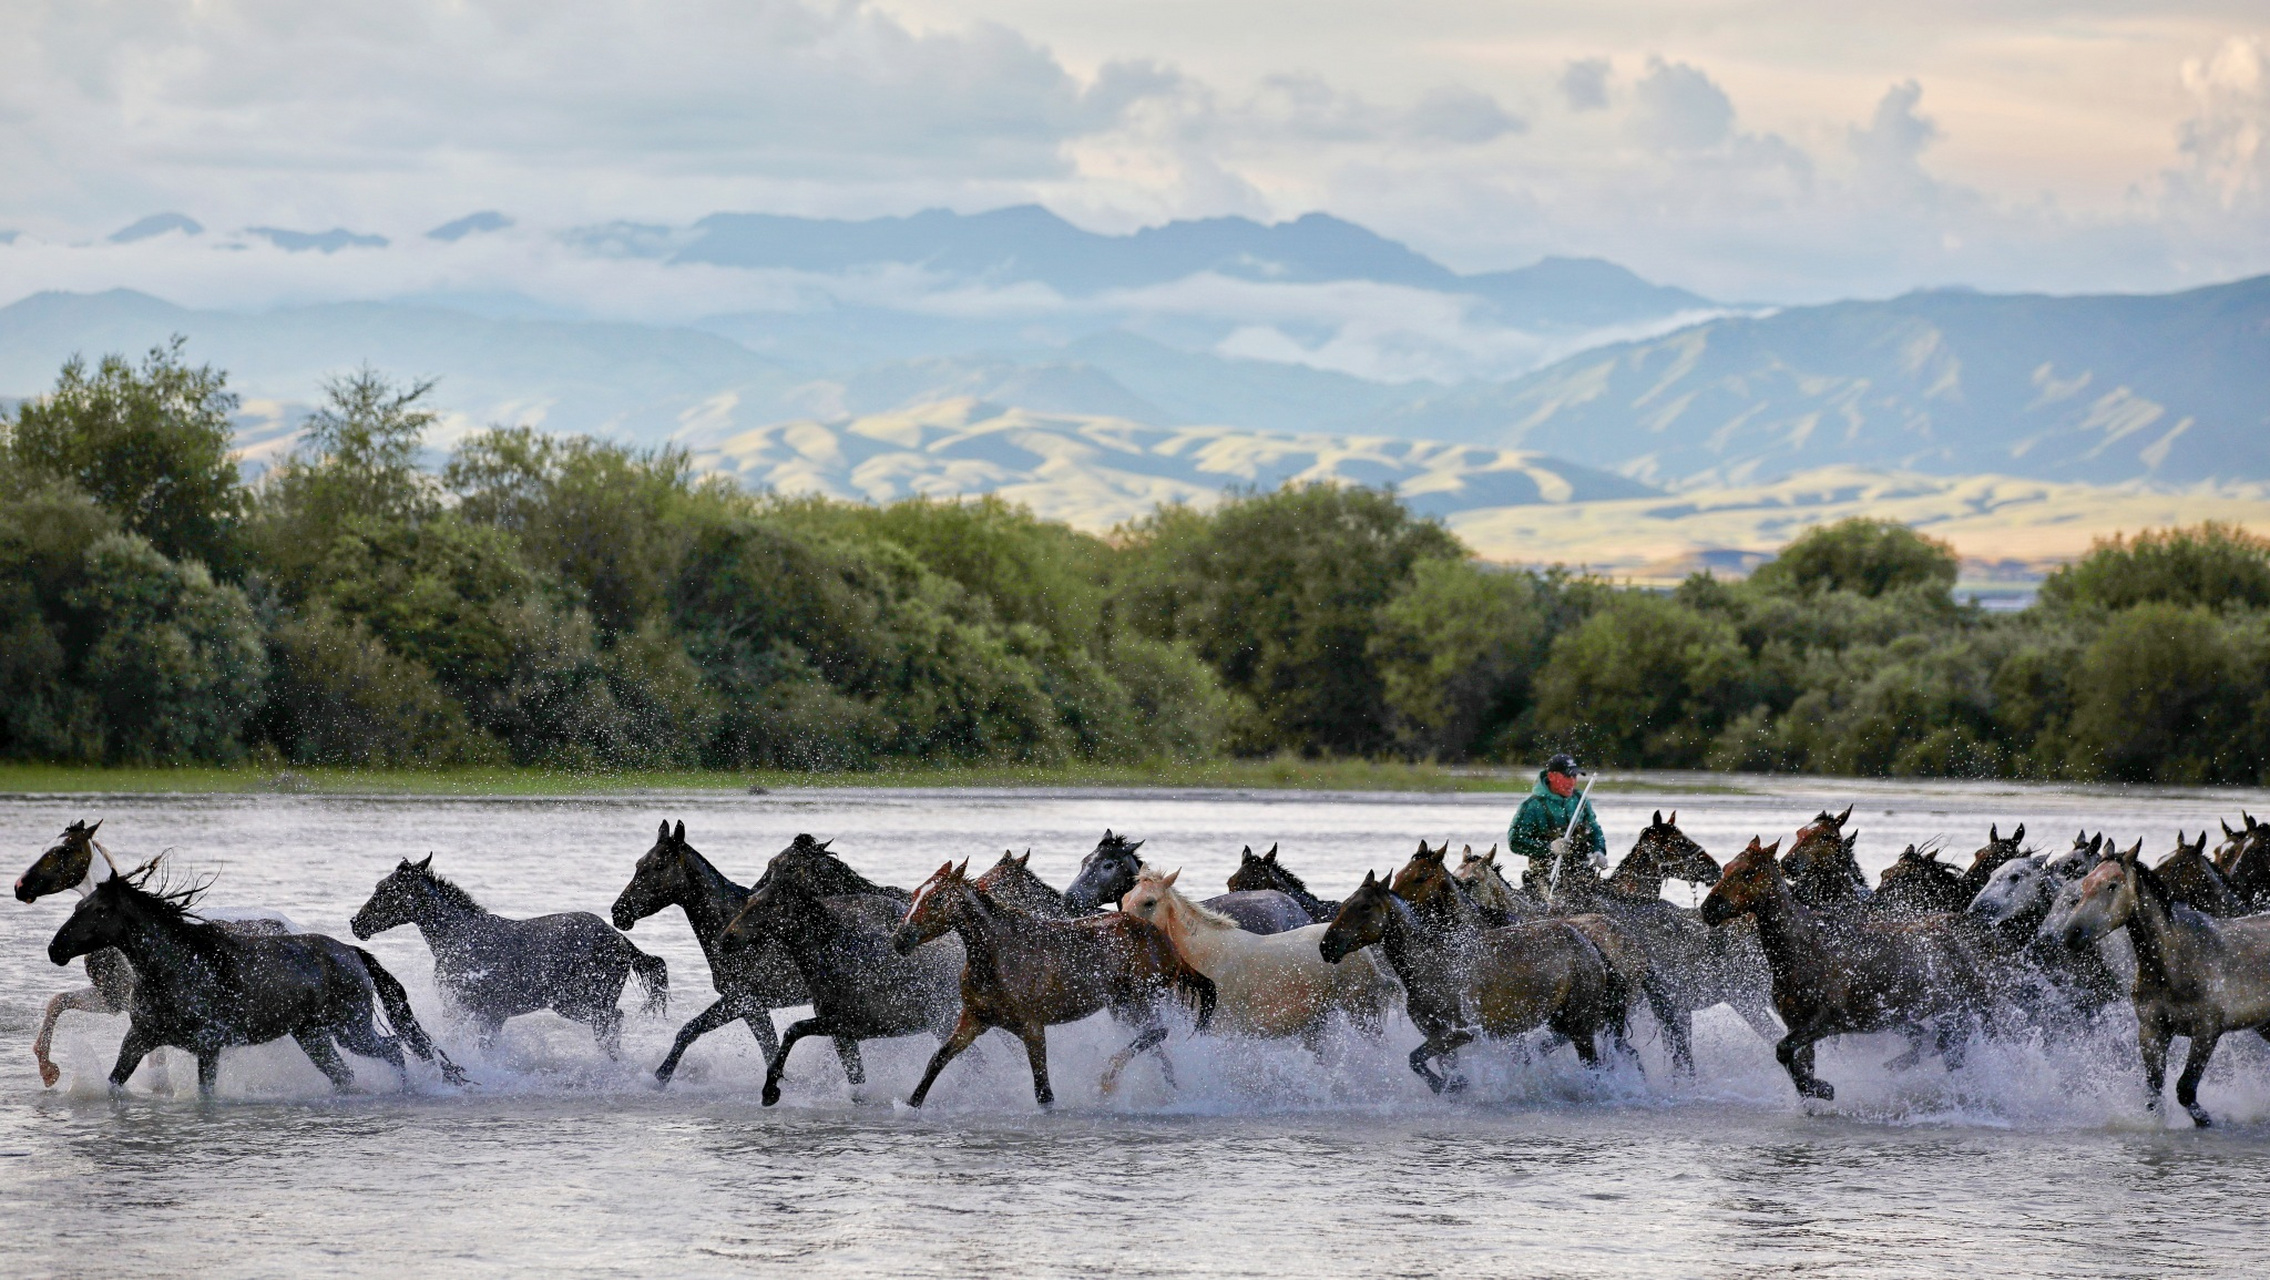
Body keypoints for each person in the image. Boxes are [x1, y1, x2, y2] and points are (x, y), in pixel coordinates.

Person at [1507, 753, 1606, 896]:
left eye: (1574, 777)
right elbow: (1515, 841)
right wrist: (1549, 848)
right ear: (1552, 776)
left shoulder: (1580, 800)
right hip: (1544, 879)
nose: (1572, 782)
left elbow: (1595, 829)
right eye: (1567, 777)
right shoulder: (1531, 806)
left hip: (1582, 875)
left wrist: (1599, 851)